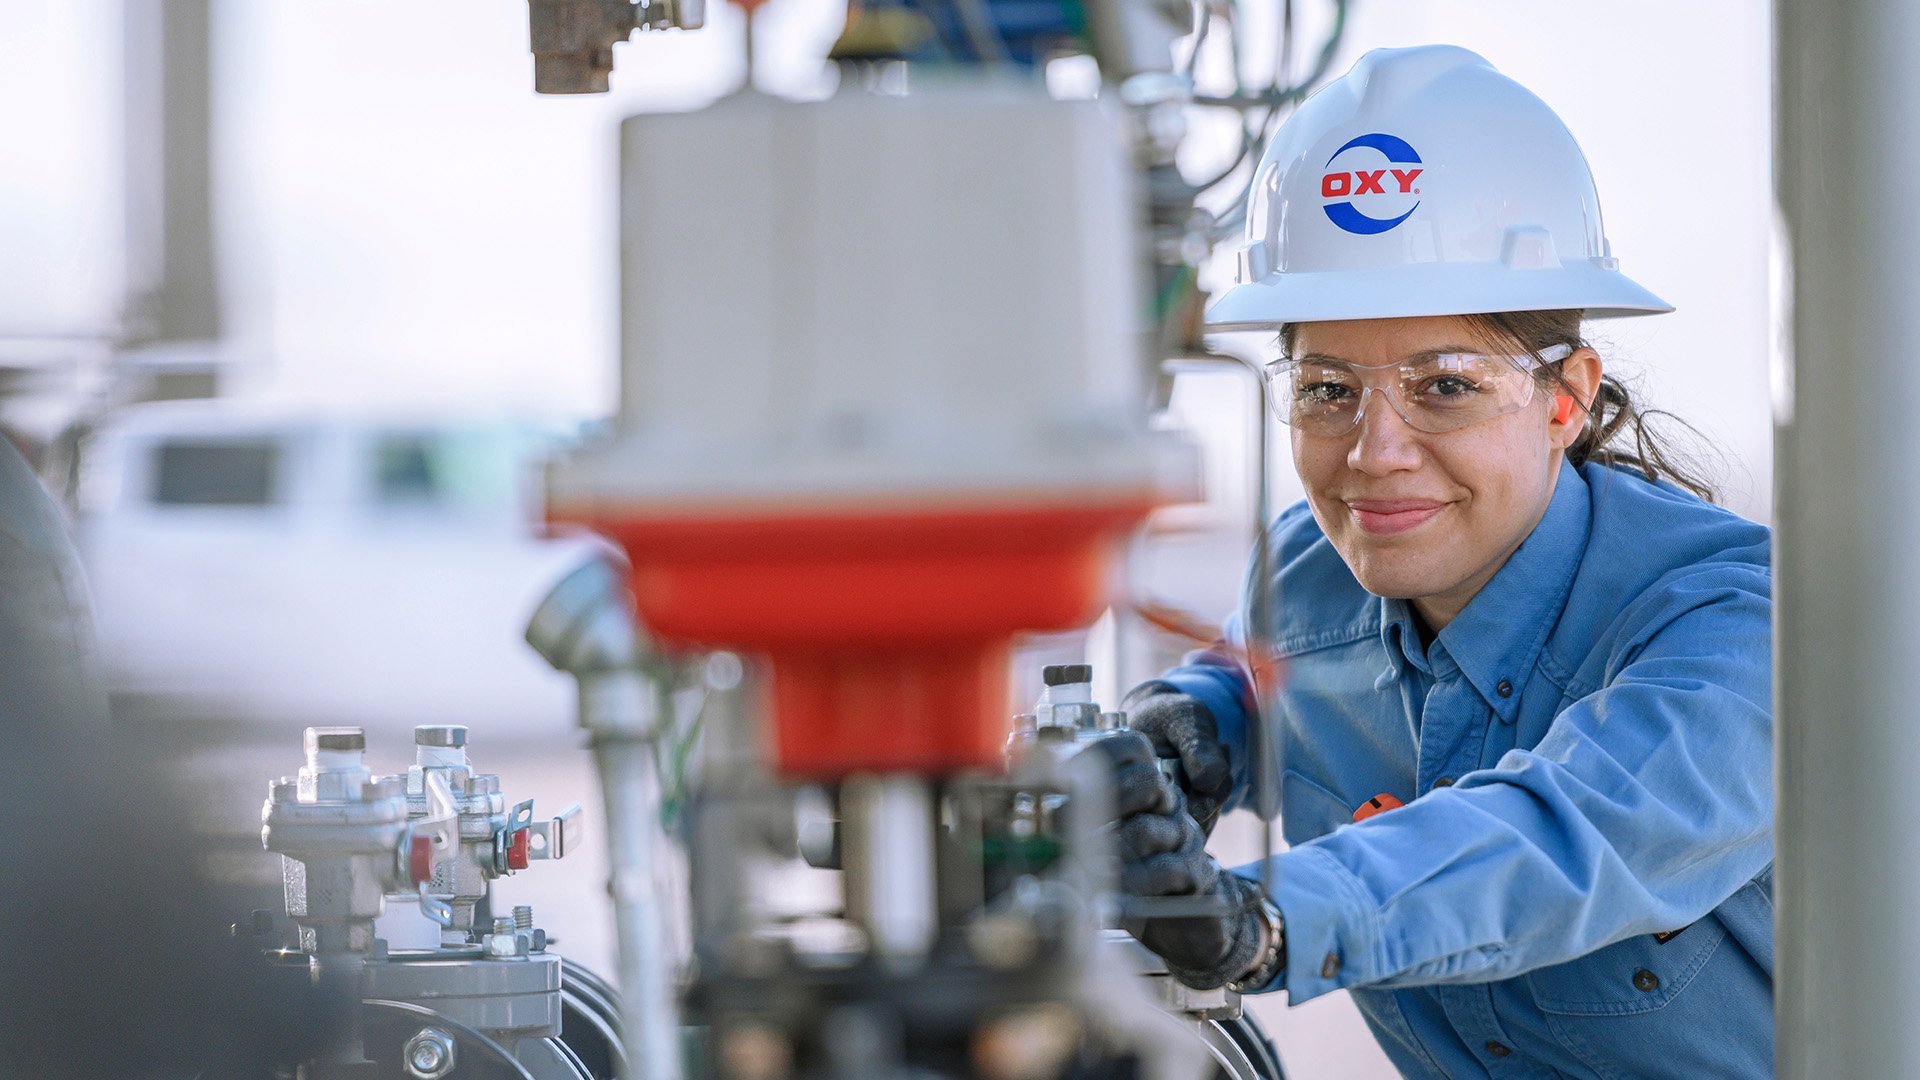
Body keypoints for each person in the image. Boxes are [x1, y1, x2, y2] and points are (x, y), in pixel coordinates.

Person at [1097, 45, 1773, 1078]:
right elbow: (1254, 682)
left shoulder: (1736, 625)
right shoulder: (1307, 579)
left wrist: (1271, 917)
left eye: (1444, 385)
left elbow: (1564, 837)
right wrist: (1188, 729)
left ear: (1567, 395)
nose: (1374, 453)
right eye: (1327, 389)